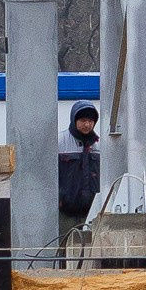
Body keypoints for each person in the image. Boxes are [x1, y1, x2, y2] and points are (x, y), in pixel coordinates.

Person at [56, 101, 103, 250]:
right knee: (63, 250)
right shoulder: (59, 142)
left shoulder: (99, 146)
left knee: (92, 251)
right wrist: (59, 199)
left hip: (92, 213)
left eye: (90, 121)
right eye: (83, 120)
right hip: (66, 213)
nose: (87, 125)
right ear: (74, 120)